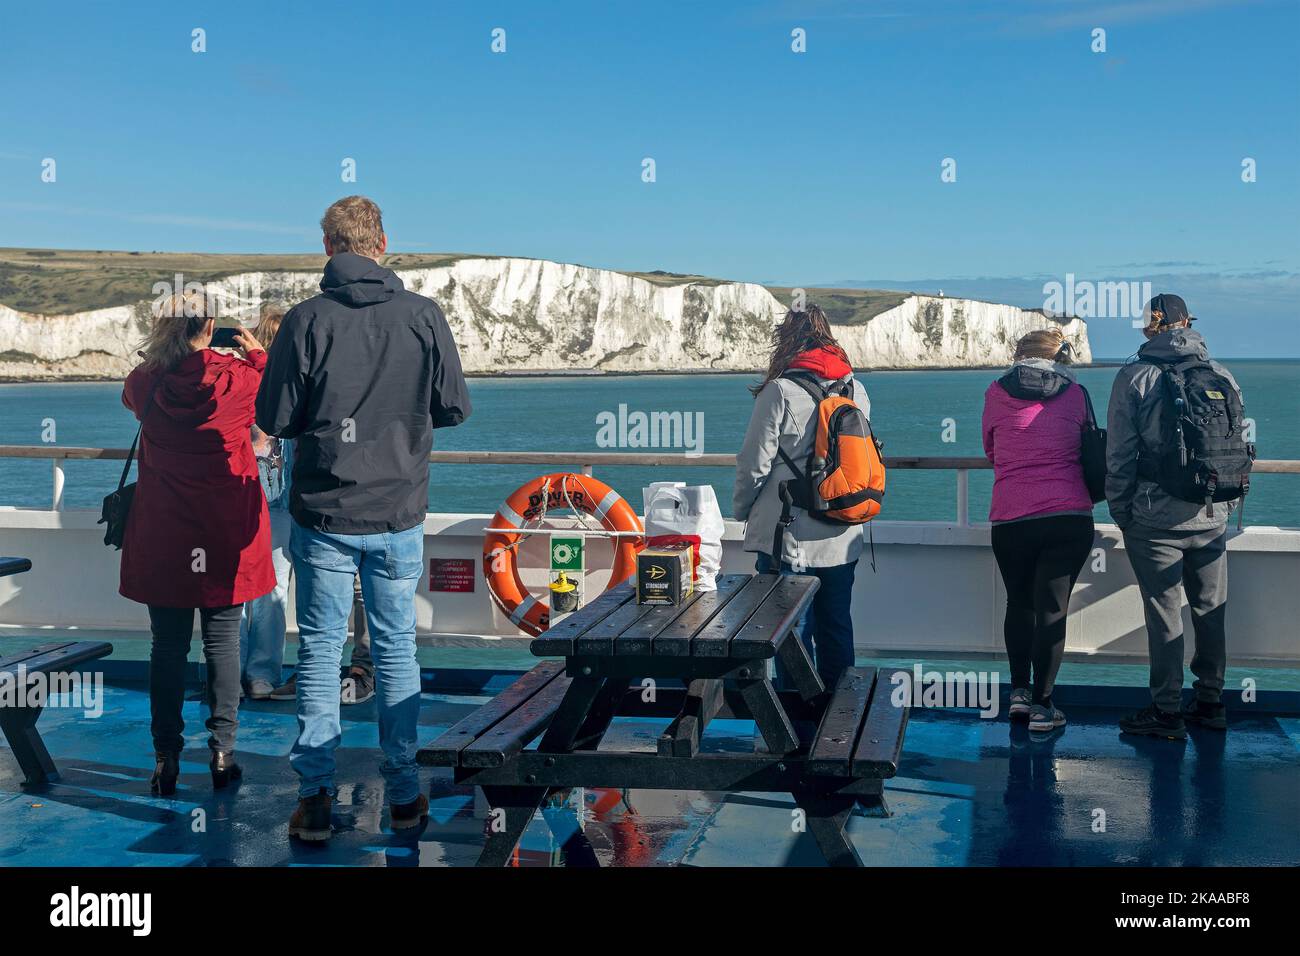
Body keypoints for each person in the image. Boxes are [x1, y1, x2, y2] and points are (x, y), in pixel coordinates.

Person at [256, 196, 471, 840]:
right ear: (383, 243)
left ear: (328, 247)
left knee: (321, 648)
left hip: (324, 512)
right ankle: (404, 793)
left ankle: (316, 796)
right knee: (396, 644)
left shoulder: (304, 321)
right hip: (399, 510)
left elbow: (275, 418)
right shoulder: (423, 316)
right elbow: (453, 407)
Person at [119, 290, 273, 795]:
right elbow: (271, 387)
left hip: (165, 531)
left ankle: (166, 758)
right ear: (210, 328)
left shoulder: (145, 381)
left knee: (166, 646)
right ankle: (223, 753)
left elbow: (132, 395)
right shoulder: (237, 378)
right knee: (222, 642)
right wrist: (253, 349)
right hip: (222, 531)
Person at [1107, 294, 1244, 739]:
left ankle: (1166, 711)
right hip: (1212, 513)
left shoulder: (1135, 375)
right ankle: (1210, 701)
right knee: (1209, 611)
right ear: (1188, 323)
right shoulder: (1221, 373)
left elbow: (1120, 453)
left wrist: (1121, 510)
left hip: (1154, 518)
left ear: (1153, 325)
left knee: (1163, 613)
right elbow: (1235, 444)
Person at [240, 305, 374, 706]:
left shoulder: (287, 376)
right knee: (272, 590)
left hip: (293, 499)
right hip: (283, 498)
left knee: (279, 590)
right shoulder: (257, 378)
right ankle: (260, 674)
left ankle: (267, 674)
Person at [733, 305, 869, 691]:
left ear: (786, 342)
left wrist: (743, 510)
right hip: (842, 531)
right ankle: (839, 708)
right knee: (836, 622)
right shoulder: (856, 389)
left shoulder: (779, 391)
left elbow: (753, 464)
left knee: (788, 632)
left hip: (788, 533)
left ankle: (796, 716)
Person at [982, 328, 1095, 733]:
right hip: (1068, 516)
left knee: (1019, 602)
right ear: (1060, 357)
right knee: (1052, 609)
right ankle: (1044, 707)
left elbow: (991, 449)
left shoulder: (996, 392)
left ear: (1019, 356)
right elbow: (1089, 445)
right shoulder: (1077, 395)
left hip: (1011, 516)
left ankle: (1017, 694)